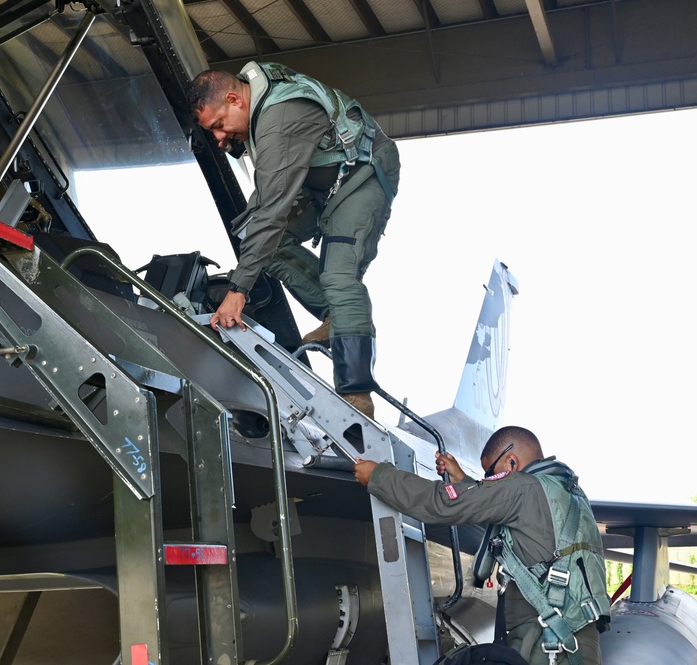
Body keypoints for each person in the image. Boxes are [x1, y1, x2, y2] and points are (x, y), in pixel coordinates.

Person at [188, 62, 401, 419]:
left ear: (234, 99)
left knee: (338, 276)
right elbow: (264, 222)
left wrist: (238, 290)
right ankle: (340, 316)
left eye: (219, 126)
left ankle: (357, 394)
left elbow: (272, 209)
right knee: (256, 239)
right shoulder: (259, 104)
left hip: (362, 174)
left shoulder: (278, 117)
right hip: (322, 183)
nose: (220, 139)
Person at [354, 426, 610, 665]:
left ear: (512, 462)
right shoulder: (565, 492)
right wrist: (464, 480)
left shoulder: (522, 487)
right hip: (574, 638)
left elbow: (442, 504)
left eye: (491, 473)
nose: (491, 480)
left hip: (545, 644)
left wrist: (380, 477)